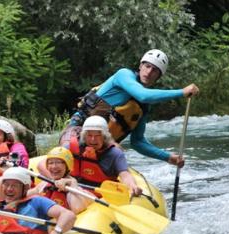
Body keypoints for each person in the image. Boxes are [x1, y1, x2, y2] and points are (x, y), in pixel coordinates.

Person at [65, 49, 199, 167]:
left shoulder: (142, 107)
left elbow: (138, 142)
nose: (149, 72)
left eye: (155, 70)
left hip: (103, 147)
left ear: (158, 76)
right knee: (64, 155)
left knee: (118, 155)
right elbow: (143, 95)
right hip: (78, 132)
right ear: (140, 66)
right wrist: (181, 92)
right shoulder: (123, 75)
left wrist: (168, 157)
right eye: (147, 66)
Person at [62, 115, 143, 197]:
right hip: (73, 190)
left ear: (105, 137)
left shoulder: (115, 154)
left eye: (98, 135)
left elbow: (125, 175)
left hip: (101, 196)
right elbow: (51, 160)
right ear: (84, 136)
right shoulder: (72, 148)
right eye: (89, 135)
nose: (93, 139)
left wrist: (132, 186)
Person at [27, 147, 92, 214]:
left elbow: (77, 209)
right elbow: (28, 194)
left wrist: (73, 185)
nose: (54, 166)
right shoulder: (45, 183)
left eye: (58, 162)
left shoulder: (73, 188)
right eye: (50, 163)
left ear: (67, 166)